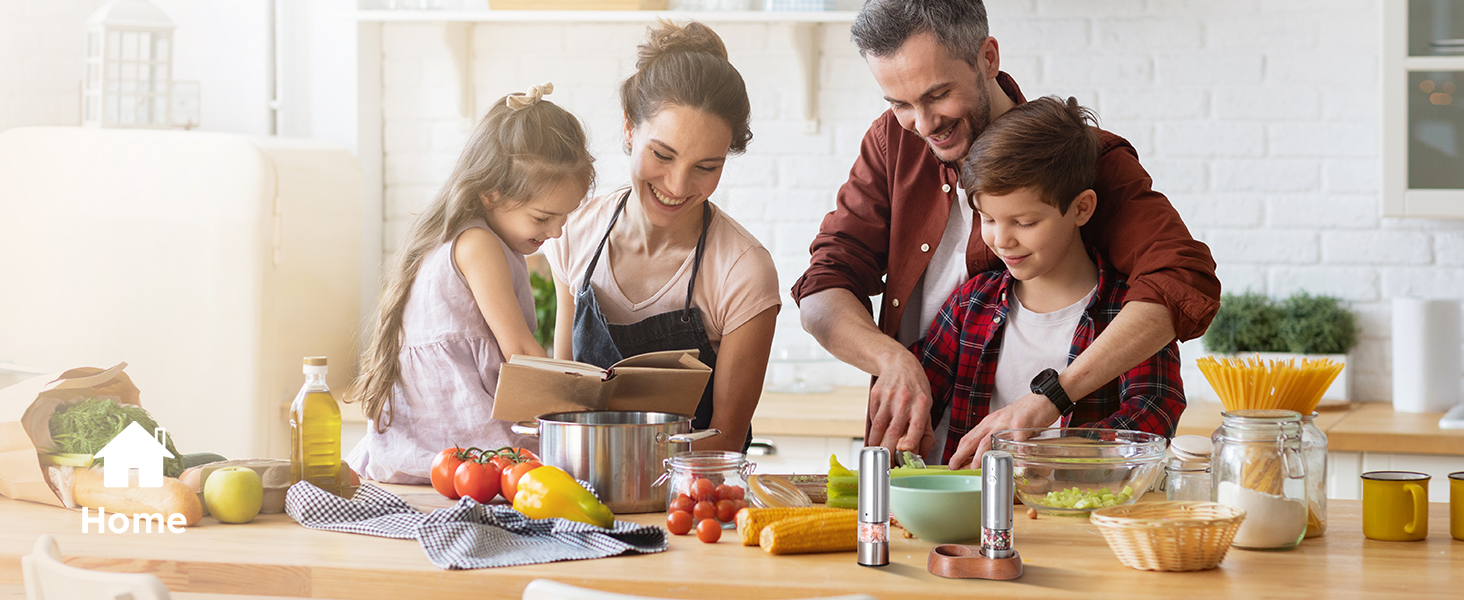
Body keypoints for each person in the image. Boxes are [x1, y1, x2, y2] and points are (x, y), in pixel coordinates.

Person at [792, 0, 1218, 462]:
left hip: (1057, 484)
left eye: (937, 95)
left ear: (988, 58)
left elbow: (1180, 280)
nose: (923, 123)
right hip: (928, 473)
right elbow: (824, 287)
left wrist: (1051, 403)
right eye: (900, 103)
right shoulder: (893, 141)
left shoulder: (1079, 160)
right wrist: (890, 360)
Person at [914, 96, 1185, 469]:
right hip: (971, 515)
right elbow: (918, 399)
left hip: (1080, 517)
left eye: (1024, 223)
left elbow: (1152, 417)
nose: (1002, 240)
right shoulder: (969, 304)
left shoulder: (1130, 314)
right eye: (988, 219)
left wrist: (1044, 456)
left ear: (1081, 208)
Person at [546, 21, 780, 453]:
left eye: (706, 167)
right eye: (663, 154)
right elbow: (564, 401)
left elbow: (725, 440)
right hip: (582, 493)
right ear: (630, 128)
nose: (677, 185)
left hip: (691, 499)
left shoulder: (743, 270)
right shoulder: (573, 232)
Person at [346, 84, 595, 483]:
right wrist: (574, 409)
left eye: (564, 218)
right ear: (491, 195)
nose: (556, 232)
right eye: (543, 218)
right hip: (462, 439)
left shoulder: (467, 236)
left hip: (430, 443)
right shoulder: (478, 245)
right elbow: (519, 350)